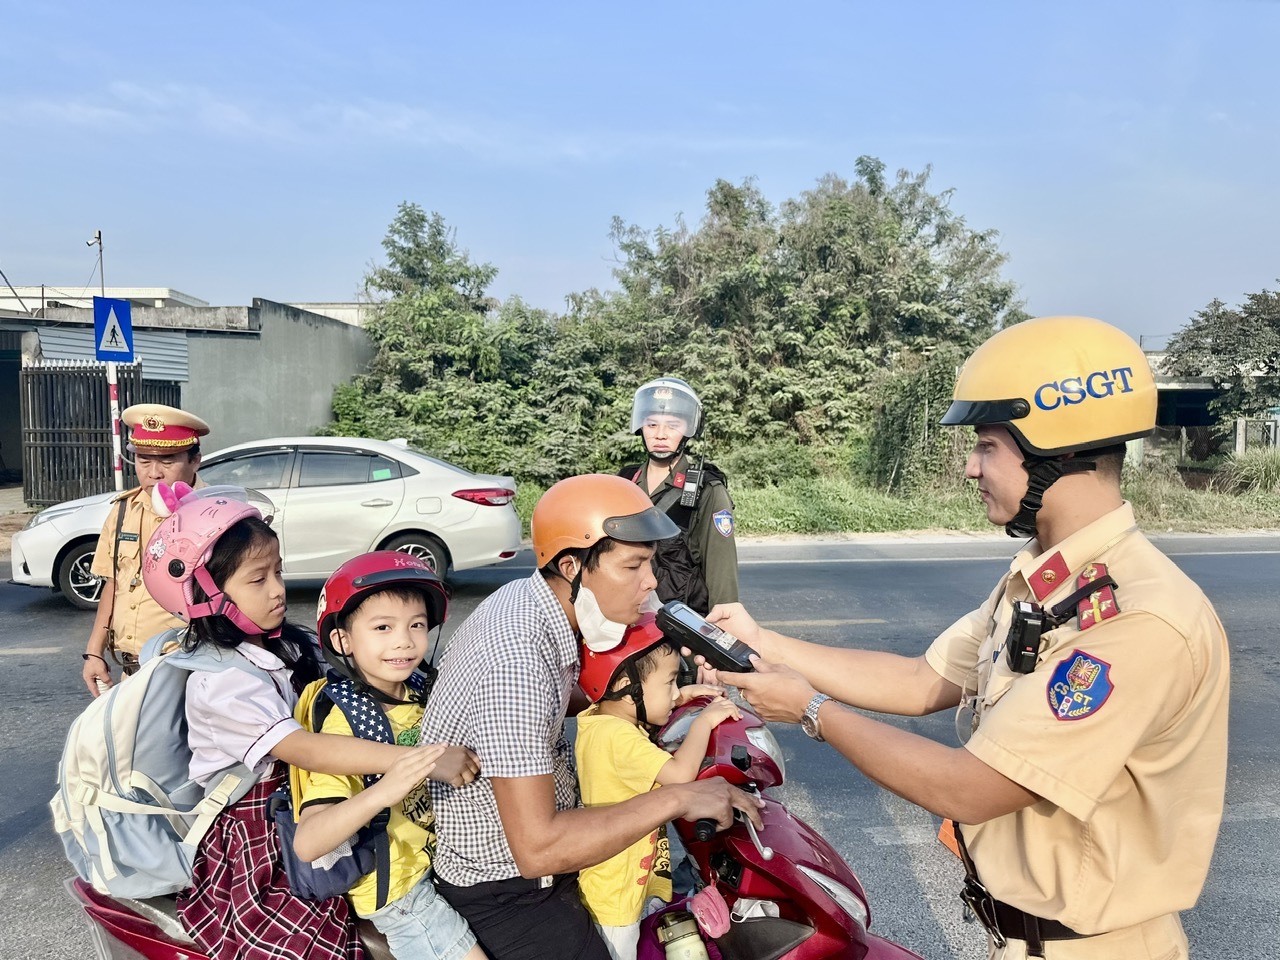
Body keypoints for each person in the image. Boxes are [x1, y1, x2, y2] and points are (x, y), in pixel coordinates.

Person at [707, 316, 1230, 960]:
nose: (968, 467)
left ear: (1059, 452)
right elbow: (920, 680)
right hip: (1021, 941)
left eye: (986, 446)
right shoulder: (1045, 581)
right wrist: (764, 641)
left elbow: (970, 789)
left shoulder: (1137, 619)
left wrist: (811, 710)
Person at [420, 473, 763, 960]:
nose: (651, 581)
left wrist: (662, 693)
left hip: (542, 854)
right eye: (633, 566)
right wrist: (679, 798)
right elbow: (537, 848)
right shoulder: (517, 659)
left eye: (650, 563)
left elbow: (563, 697)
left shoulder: (535, 603)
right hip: (509, 885)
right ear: (572, 565)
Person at [141, 484, 475, 960]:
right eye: (258, 580)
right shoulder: (221, 683)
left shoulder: (283, 645)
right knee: (308, 944)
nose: (278, 589)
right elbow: (307, 749)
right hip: (259, 832)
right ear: (204, 594)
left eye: (277, 571)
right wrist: (422, 760)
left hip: (314, 796)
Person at [294, 552, 486, 960]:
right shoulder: (349, 723)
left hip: (445, 858)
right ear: (342, 640)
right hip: (401, 893)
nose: (404, 641)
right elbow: (309, 843)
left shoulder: (420, 687)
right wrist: (388, 787)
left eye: (417, 625)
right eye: (383, 627)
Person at [575, 614, 740, 960]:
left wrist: (680, 697)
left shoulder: (606, 719)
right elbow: (680, 776)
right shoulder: (616, 737)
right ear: (627, 686)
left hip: (625, 882)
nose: (675, 691)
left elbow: (642, 705)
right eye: (669, 683)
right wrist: (705, 721)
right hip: (616, 898)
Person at [82, 403, 208, 695]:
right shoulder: (124, 510)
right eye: (143, 460)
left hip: (189, 670)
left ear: (195, 461)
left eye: (167, 461)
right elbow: (114, 583)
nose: (153, 473)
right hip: (132, 670)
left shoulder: (212, 512)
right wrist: (94, 652)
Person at [619, 377, 738, 614]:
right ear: (641, 427)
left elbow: (721, 566)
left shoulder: (707, 490)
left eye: (672, 425)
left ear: (688, 430)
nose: (660, 435)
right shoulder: (624, 482)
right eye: (652, 424)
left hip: (680, 621)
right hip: (629, 617)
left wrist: (723, 616)